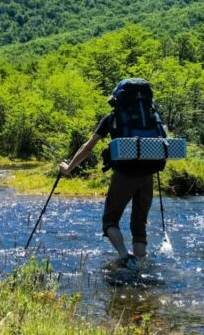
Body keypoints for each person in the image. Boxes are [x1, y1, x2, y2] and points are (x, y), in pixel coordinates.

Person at [59, 78, 166, 271]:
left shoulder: (113, 118)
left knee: (110, 221)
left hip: (124, 175)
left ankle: (125, 257)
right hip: (147, 176)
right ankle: (140, 265)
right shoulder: (152, 117)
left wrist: (69, 168)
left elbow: (88, 148)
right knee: (139, 224)